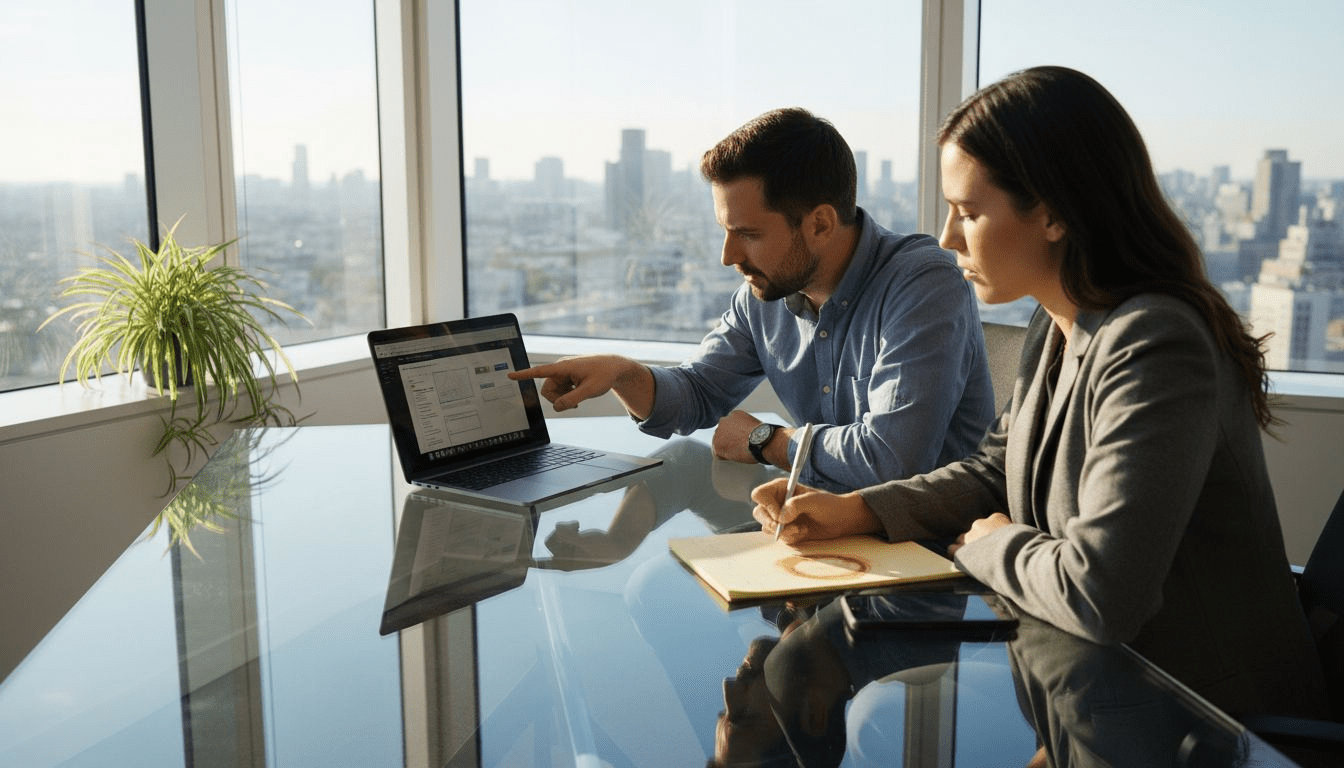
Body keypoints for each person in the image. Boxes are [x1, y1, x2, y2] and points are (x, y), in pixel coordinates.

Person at [751, 66, 1330, 721]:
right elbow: (995, 468)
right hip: (1088, 699)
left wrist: (993, 542)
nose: (946, 238)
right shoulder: (1056, 321)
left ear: (1053, 211)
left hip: (1205, 720)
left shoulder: (1157, 344)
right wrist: (854, 510)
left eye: (967, 212)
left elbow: (1104, 593)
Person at [510, 108, 994, 492]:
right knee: (647, 592)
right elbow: (699, 394)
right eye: (725, 232)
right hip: (821, 532)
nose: (728, 256)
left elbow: (894, 460)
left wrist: (768, 441)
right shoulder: (764, 293)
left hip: (929, 558)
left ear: (820, 224)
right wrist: (625, 373)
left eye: (747, 234)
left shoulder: (922, 284)